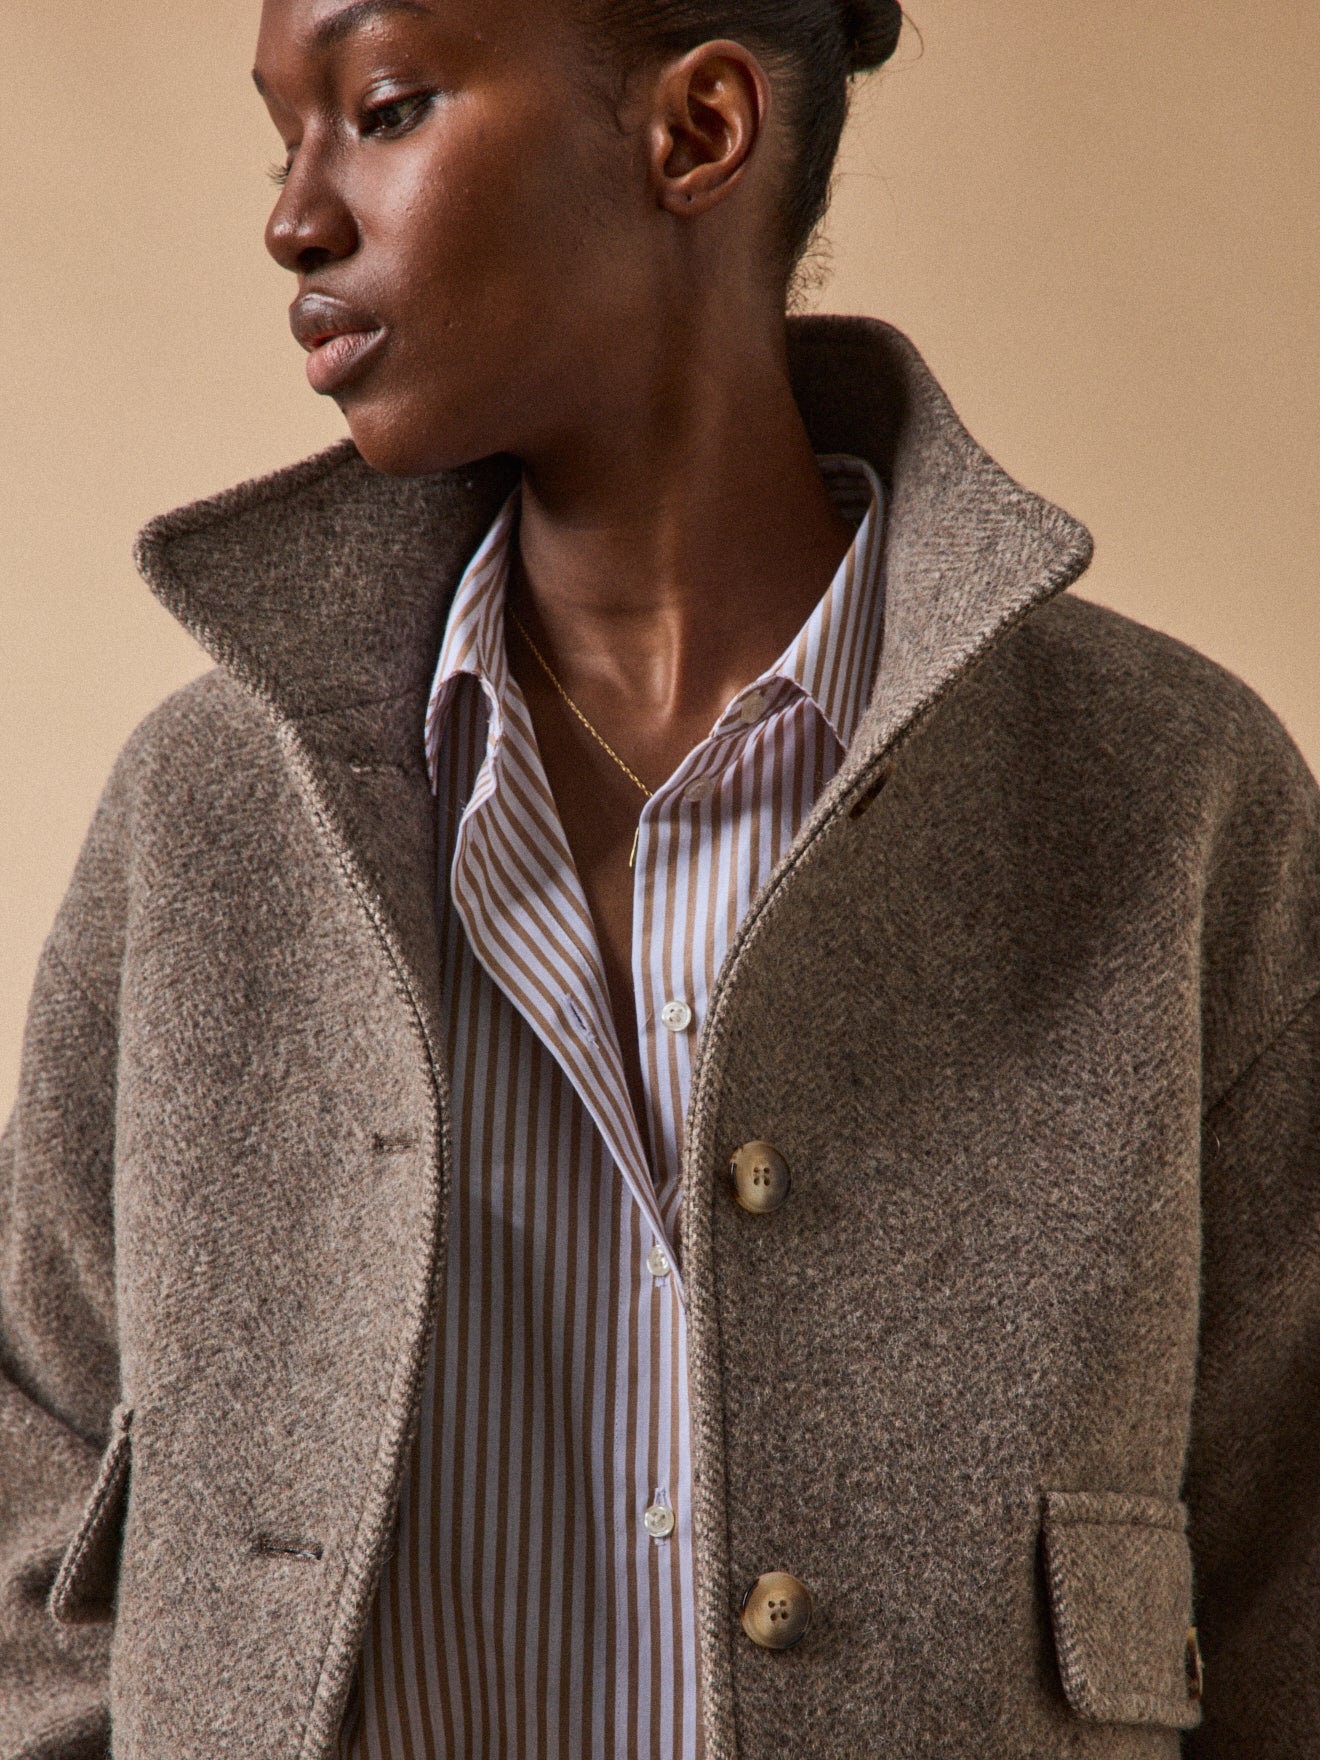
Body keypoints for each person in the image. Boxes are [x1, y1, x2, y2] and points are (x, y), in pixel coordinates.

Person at [1, 0, 1315, 1752]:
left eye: (382, 110)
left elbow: (1292, 1557)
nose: (295, 218)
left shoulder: (1168, 797)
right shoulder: (213, 810)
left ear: (696, 131)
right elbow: (36, 1448)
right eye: (280, 137)